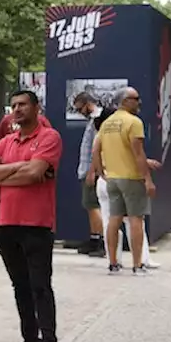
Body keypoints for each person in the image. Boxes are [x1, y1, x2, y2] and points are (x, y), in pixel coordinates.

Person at [0, 90, 65, 342]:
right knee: (21, 288)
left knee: (41, 287)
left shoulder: (49, 137)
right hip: (6, 226)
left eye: (23, 105)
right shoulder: (6, 141)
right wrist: (20, 168)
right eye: (13, 105)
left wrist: (6, 172)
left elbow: (34, 173)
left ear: (36, 107)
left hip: (37, 225)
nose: (17, 110)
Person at [93, 86, 156, 274]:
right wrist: (148, 179)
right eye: (135, 98)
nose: (139, 102)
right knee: (136, 219)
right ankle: (137, 264)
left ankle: (113, 262)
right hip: (131, 177)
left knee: (114, 219)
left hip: (112, 178)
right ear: (125, 101)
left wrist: (101, 172)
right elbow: (138, 153)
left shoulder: (107, 123)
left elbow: (96, 150)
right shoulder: (134, 122)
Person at [72, 91, 105, 258]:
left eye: (80, 108)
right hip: (86, 169)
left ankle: (102, 241)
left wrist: (92, 171)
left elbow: (96, 148)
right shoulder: (92, 120)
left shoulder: (98, 120)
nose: (80, 112)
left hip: (91, 170)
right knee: (90, 206)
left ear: (87, 104)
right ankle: (94, 237)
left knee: (93, 206)